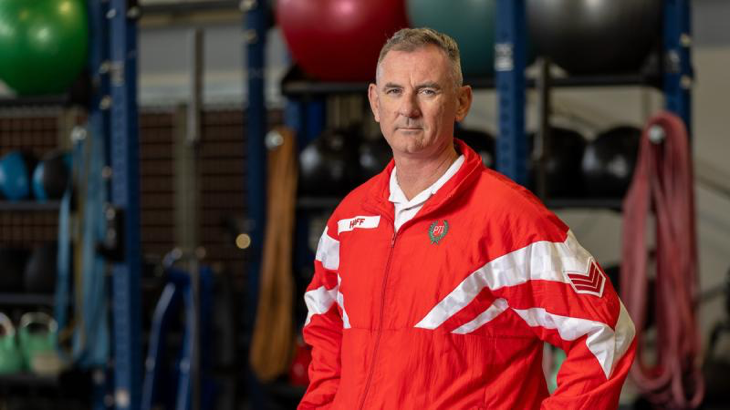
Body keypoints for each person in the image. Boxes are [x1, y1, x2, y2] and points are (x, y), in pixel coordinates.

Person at [298, 28, 636, 410]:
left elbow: (606, 332)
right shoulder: (349, 220)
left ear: (461, 103)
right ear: (375, 103)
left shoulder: (510, 220)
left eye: (427, 90)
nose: (408, 109)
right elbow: (326, 334)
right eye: (394, 91)